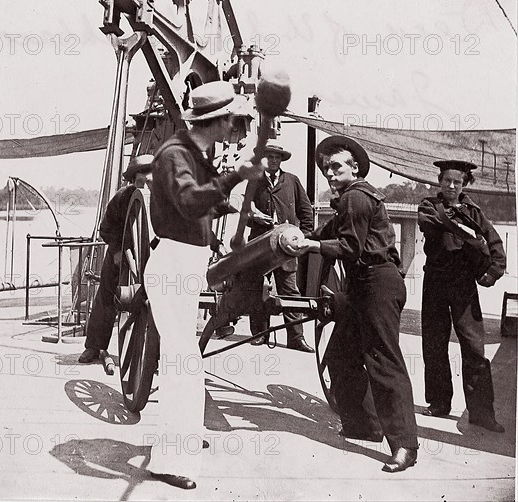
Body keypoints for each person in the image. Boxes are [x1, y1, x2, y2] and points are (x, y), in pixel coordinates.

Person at [144, 81, 263, 490]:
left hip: (186, 263)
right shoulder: (174, 155)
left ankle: (183, 441)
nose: (238, 132)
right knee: (184, 364)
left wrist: (233, 199)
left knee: (185, 363)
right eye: (236, 124)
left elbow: (207, 201)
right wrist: (233, 178)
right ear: (219, 120)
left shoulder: (194, 153)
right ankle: (169, 459)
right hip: (172, 264)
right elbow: (191, 201)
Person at [297, 135, 418, 473]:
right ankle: (364, 425)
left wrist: (309, 246)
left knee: (383, 360)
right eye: (325, 169)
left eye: (335, 166)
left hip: (378, 282)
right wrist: (293, 236)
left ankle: (405, 445)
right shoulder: (348, 200)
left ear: (354, 167)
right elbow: (325, 233)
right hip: (360, 286)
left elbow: (348, 248)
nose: (329, 174)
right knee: (341, 353)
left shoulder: (356, 197)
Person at [417, 160, 506, 432]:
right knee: (434, 343)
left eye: (457, 182)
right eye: (447, 181)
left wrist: (490, 273)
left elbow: (495, 245)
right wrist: (471, 237)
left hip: (463, 284)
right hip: (435, 281)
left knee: (473, 347)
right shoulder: (429, 206)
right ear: (439, 181)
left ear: (465, 184)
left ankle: (481, 413)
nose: (451, 186)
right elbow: (432, 224)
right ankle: (439, 402)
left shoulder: (474, 212)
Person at [78, 154, 153, 364]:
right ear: (133, 178)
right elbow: (106, 228)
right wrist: (118, 251)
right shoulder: (122, 197)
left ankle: (153, 352)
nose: (147, 180)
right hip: (120, 254)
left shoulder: (161, 197)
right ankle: (94, 346)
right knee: (106, 297)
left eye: (150, 175)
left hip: (150, 257)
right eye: (142, 176)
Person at [246, 144, 315, 352]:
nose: (273, 160)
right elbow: (243, 212)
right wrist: (255, 216)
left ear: (282, 160)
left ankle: (296, 337)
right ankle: (260, 334)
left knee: (290, 291)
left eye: (277, 157)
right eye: (269, 157)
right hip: (260, 244)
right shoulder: (254, 180)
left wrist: (303, 236)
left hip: (287, 248)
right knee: (258, 288)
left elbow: (305, 210)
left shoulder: (292, 181)